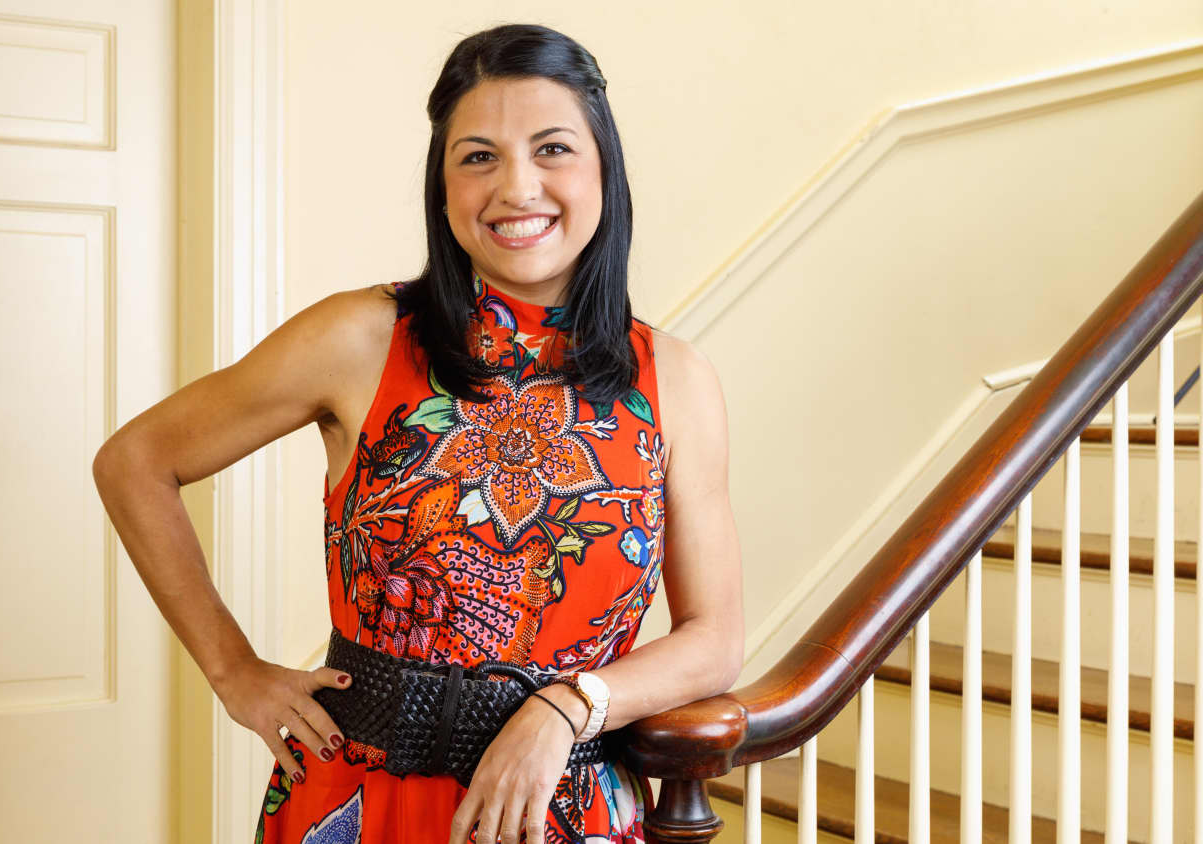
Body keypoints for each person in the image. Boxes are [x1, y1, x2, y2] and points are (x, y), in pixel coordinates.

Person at [92, 22, 743, 844]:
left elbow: (714, 640)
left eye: (552, 150)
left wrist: (567, 706)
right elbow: (136, 461)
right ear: (443, 189)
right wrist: (235, 672)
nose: (516, 187)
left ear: (603, 171)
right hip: (363, 796)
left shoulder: (674, 381)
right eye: (478, 157)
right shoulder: (361, 337)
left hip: (563, 805)